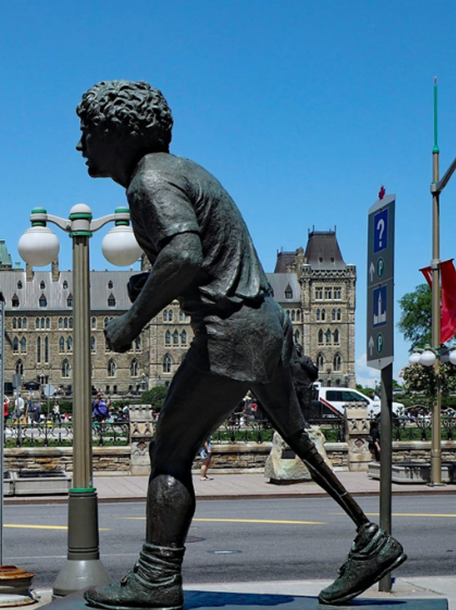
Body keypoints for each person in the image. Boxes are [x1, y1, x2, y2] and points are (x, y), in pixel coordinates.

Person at [76, 81, 403, 609]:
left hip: (231, 329)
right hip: (263, 323)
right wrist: (152, 284)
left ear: (118, 132)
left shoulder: (148, 181)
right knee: (296, 435)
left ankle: (157, 578)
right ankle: (372, 540)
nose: (81, 145)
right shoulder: (183, 170)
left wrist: (132, 323)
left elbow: (183, 254)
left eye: (89, 132)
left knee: (169, 452)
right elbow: (201, 260)